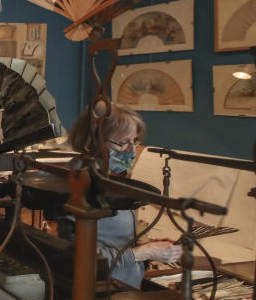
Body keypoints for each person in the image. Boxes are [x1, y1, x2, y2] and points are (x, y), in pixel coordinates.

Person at [62, 102, 181, 288]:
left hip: (122, 285)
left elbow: (109, 238)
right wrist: (143, 252)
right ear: (92, 141)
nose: (132, 150)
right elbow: (78, 256)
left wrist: (151, 248)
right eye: (123, 142)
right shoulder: (78, 182)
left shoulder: (109, 178)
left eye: (135, 141)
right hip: (96, 290)